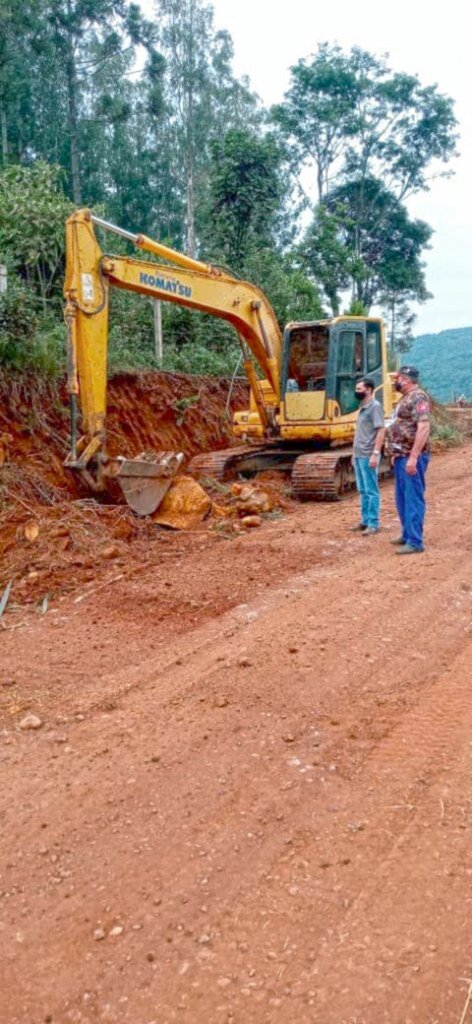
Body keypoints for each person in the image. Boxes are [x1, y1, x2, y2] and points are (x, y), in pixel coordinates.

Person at [385, 365, 431, 555]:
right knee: (402, 499)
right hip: (401, 456)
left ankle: (415, 542)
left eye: (398, 378)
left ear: (405, 379)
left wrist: (413, 457)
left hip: (412, 457)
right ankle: (407, 534)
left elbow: (423, 427)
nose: (395, 381)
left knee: (413, 499)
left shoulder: (418, 397)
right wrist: (396, 454)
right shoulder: (406, 398)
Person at [351, 377, 385, 535]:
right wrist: (354, 455)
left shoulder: (375, 407)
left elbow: (380, 430)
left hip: (367, 454)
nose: (357, 392)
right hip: (358, 454)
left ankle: (374, 523)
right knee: (363, 490)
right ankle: (365, 521)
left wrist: (375, 453)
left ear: (369, 389)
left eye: (359, 389)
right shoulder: (363, 407)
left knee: (371, 490)